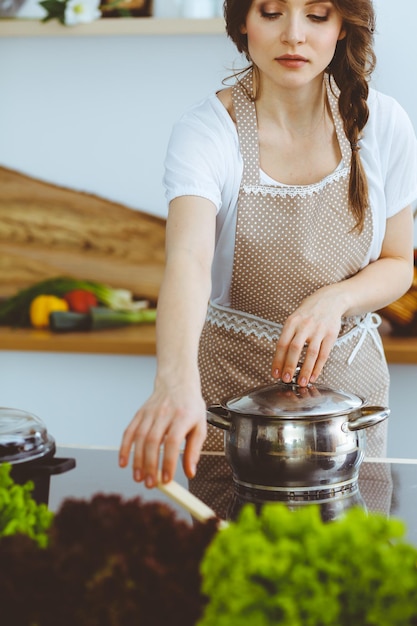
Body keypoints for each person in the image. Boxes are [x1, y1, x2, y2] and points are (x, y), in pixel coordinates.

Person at [119, 0, 417, 517]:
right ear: (242, 23)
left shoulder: (382, 122)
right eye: (272, 12)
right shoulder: (208, 131)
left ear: (343, 26)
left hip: (347, 403)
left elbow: (397, 262)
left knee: (349, 576)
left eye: (317, 16)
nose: (294, 36)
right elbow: (188, 259)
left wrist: (335, 300)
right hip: (232, 406)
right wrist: (174, 380)